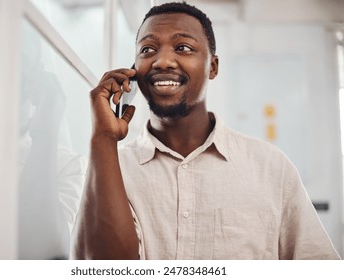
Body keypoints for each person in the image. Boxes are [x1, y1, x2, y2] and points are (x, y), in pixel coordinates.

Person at [71, 2, 340, 260]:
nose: (162, 61)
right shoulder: (110, 167)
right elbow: (102, 267)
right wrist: (103, 138)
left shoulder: (271, 166)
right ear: (133, 71)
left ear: (212, 66)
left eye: (183, 47)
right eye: (147, 50)